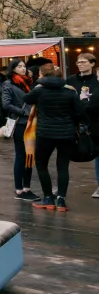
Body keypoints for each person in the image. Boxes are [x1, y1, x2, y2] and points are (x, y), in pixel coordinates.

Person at [29, 66, 88, 211]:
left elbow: (27, 99)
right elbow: (80, 112)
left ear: (44, 76)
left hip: (45, 133)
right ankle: (61, 200)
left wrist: (38, 85)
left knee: (41, 164)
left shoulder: (39, 90)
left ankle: (48, 198)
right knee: (62, 166)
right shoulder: (70, 91)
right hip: (66, 133)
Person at [65, 52, 99, 199]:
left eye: (84, 62)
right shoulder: (71, 79)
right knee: (66, 153)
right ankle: (62, 186)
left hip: (94, 121)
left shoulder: (96, 80)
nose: (80, 65)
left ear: (92, 64)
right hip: (74, 122)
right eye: (78, 62)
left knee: (97, 152)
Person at [2, 59, 37, 201]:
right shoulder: (9, 83)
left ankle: (27, 188)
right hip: (20, 122)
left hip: (32, 122)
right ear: (13, 69)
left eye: (24, 66)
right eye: (19, 66)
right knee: (21, 156)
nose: (23, 68)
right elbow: (6, 104)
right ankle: (19, 189)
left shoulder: (29, 82)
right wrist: (22, 112)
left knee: (30, 155)